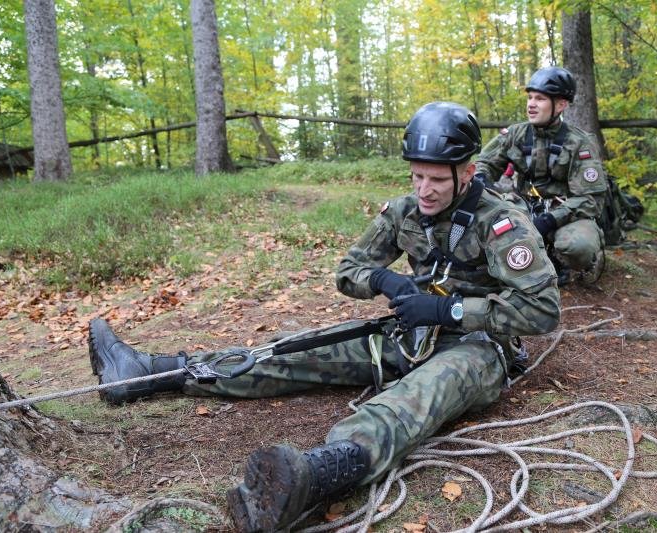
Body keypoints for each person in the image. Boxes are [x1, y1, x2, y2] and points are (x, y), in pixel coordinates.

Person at [88, 101, 560, 532]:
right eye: (417, 177)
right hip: (410, 333)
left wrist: (448, 308)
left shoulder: (501, 221)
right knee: (296, 350)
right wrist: (384, 282)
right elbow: (349, 269)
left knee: (421, 393)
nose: (424, 190)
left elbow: (542, 311)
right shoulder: (403, 212)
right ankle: (149, 372)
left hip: (478, 346)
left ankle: (315, 475)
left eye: (437, 179)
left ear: (467, 172)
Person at [474, 66, 608, 285]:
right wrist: (482, 182)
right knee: (485, 231)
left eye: (540, 99)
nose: (531, 104)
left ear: (561, 104)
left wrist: (550, 219)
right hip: (522, 209)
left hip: (563, 214)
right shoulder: (515, 134)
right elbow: (484, 164)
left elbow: (590, 199)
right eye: (530, 97)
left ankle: (561, 260)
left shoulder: (580, 142)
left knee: (577, 247)